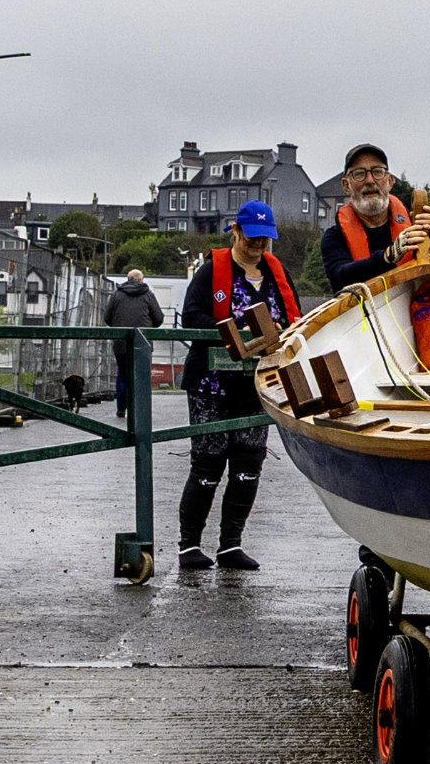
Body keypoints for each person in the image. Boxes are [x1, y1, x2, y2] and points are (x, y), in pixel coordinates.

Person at [176, 202, 301, 572]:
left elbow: (293, 319)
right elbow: (192, 316)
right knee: (208, 462)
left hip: (258, 382)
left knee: (249, 463)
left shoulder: (277, 272)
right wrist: (231, 331)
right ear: (236, 231)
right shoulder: (212, 269)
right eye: (251, 237)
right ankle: (189, 545)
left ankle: (230, 544)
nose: (258, 244)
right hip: (212, 382)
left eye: (265, 238)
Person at [319, 144, 430, 291]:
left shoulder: (414, 227)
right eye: (359, 173)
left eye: (377, 172)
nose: (369, 180)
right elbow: (340, 277)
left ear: (389, 182)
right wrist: (387, 257)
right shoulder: (334, 237)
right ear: (346, 185)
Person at [102, 267, 164, 422]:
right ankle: (140, 409)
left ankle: (121, 409)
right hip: (142, 343)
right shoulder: (148, 295)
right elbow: (159, 319)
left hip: (121, 343)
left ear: (127, 279)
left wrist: (118, 327)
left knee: (122, 374)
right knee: (142, 376)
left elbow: (107, 317)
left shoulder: (117, 295)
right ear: (141, 280)